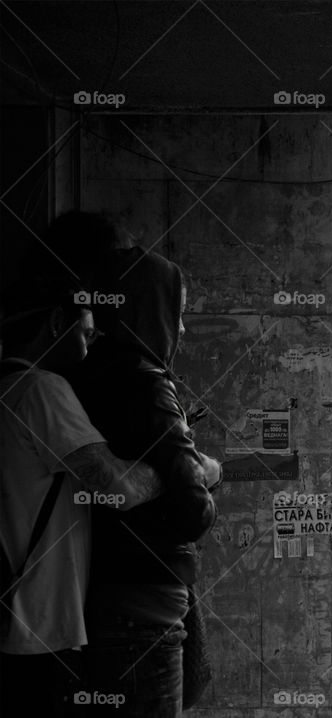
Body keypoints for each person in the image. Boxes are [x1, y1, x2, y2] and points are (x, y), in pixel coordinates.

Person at [43, 211, 219, 717]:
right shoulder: (147, 382)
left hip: (95, 599)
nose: (182, 326)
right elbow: (193, 512)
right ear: (153, 308)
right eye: (177, 310)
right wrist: (205, 471)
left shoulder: (79, 372)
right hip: (144, 611)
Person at [0, 278, 165, 718]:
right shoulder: (40, 390)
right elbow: (121, 490)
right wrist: (188, 472)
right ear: (58, 322)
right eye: (88, 329)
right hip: (37, 633)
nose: (95, 338)